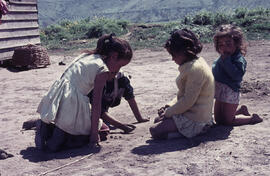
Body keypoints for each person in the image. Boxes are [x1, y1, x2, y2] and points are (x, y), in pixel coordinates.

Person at [36, 34, 133, 152]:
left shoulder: (88, 56)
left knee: (66, 129)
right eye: (120, 65)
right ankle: (57, 135)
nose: (118, 70)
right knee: (98, 133)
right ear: (113, 56)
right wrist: (93, 136)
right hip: (71, 103)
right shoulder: (102, 70)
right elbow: (96, 105)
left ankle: (50, 128)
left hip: (58, 96)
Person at [149, 29, 215, 140]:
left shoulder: (195, 69)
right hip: (191, 112)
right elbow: (184, 94)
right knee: (157, 120)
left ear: (185, 51)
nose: (172, 59)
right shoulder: (192, 65)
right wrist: (169, 106)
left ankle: (189, 133)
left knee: (154, 130)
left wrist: (168, 113)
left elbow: (188, 101)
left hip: (196, 119)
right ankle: (182, 131)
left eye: (174, 55)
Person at [212, 24, 263, 126]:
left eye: (228, 44)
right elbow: (215, 69)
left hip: (231, 91)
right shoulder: (222, 57)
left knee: (227, 121)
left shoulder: (238, 59)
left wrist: (226, 61)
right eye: (221, 45)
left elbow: (236, 76)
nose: (224, 47)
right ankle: (241, 110)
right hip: (219, 89)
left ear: (236, 43)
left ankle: (252, 118)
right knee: (218, 119)